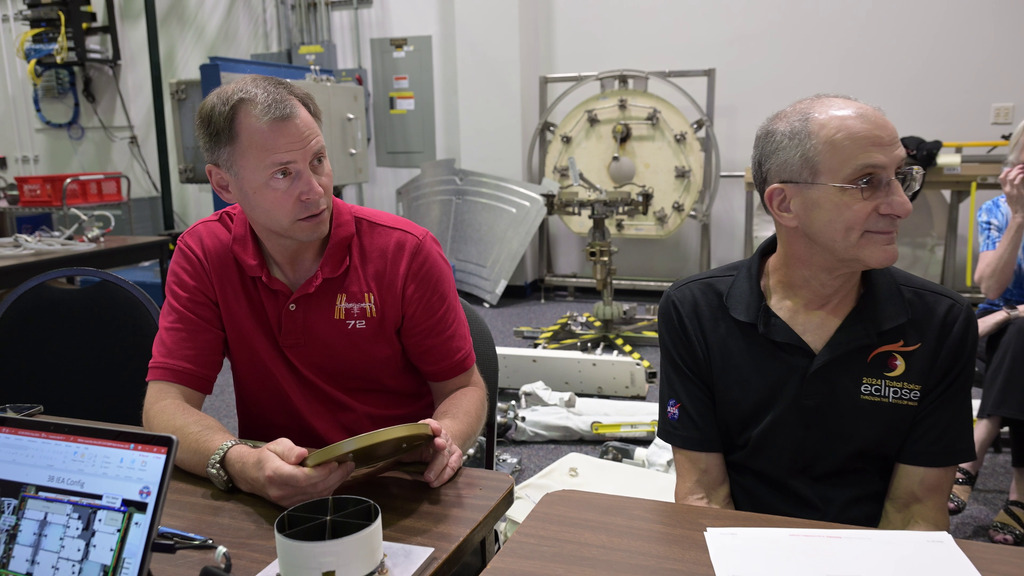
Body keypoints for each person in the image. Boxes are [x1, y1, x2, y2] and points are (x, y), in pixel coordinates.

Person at [143, 75, 487, 508]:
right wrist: (240, 463)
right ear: (224, 185)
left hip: (401, 487)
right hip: (278, 495)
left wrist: (445, 440)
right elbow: (164, 405)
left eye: (319, 160)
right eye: (284, 174)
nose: (315, 191)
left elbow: (464, 389)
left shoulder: (405, 252)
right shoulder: (204, 253)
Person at [657, 94, 977, 530]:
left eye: (901, 176)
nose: (902, 205)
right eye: (867, 181)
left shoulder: (940, 322)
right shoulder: (696, 310)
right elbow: (703, 496)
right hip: (741, 550)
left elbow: (914, 512)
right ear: (785, 204)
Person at [947, 159, 1024, 546]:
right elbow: (992, 289)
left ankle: (978, 441)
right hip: (1001, 327)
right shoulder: (995, 211)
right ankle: (1020, 496)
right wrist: (1019, 217)